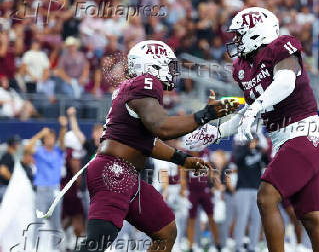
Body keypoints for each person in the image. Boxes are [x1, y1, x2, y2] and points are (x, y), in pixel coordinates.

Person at [184, 7, 319, 251]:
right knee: (312, 218)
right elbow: (250, 110)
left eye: (239, 34)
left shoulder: (281, 46)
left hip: (305, 134)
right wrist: (216, 131)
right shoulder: (242, 67)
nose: (234, 40)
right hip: (288, 140)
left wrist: (256, 108)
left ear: (257, 32)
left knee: (266, 197)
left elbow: (285, 82)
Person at [75, 40, 238, 252]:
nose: (172, 72)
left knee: (166, 231)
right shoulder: (145, 83)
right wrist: (207, 114)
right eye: (168, 66)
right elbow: (162, 127)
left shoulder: (135, 88)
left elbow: (147, 142)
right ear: (151, 66)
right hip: (113, 172)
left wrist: (183, 159)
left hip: (128, 173)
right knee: (97, 243)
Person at [25, 117, 67, 251]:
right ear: (44, 139)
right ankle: (33, 248)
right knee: (37, 221)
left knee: (56, 223)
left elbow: (62, 141)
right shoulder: (39, 151)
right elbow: (27, 148)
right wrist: (41, 134)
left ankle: (56, 248)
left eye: (52, 137)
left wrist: (63, 127)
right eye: (48, 138)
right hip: (42, 190)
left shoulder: (58, 151)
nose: (51, 140)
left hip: (55, 189)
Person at [232, 135, 267, 252]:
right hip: (243, 188)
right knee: (242, 217)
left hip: (256, 189)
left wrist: (264, 152)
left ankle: (252, 246)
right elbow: (238, 160)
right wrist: (248, 148)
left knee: (257, 218)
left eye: (255, 140)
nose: (254, 142)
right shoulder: (241, 149)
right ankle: (238, 246)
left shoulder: (259, 151)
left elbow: (267, 163)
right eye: (252, 140)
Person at [184, 148, 221, 252]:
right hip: (192, 191)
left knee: (211, 217)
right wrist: (183, 189)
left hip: (204, 189)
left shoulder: (206, 152)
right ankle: (191, 245)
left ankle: (217, 244)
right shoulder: (186, 154)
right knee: (191, 219)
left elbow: (211, 169)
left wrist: (214, 184)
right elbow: (182, 172)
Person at [61, 107, 86, 245]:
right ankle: (78, 242)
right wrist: (80, 187)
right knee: (78, 216)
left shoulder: (65, 152)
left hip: (63, 188)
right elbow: (77, 174)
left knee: (68, 217)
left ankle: (65, 242)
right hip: (72, 191)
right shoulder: (73, 155)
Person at [0, 135, 20, 203]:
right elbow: (3, 171)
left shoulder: (13, 156)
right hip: (5, 187)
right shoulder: (7, 156)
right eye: (17, 143)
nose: (18, 145)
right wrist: (14, 180)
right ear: (13, 144)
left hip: (9, 187)